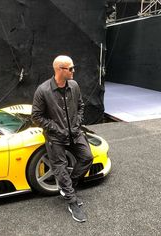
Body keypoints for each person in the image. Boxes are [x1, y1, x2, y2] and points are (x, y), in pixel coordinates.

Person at [31, 55, 93, 223]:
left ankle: (68, 187)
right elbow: (36, 117)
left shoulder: (74, 85)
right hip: (55, 137)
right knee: (60, 166)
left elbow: (80, 106)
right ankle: (72, 202)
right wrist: (56, 128)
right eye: (71, 68)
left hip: (74, 131)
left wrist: (77, 122)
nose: (74, 71)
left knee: (87, 157)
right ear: (60, 69)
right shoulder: (43, 90)